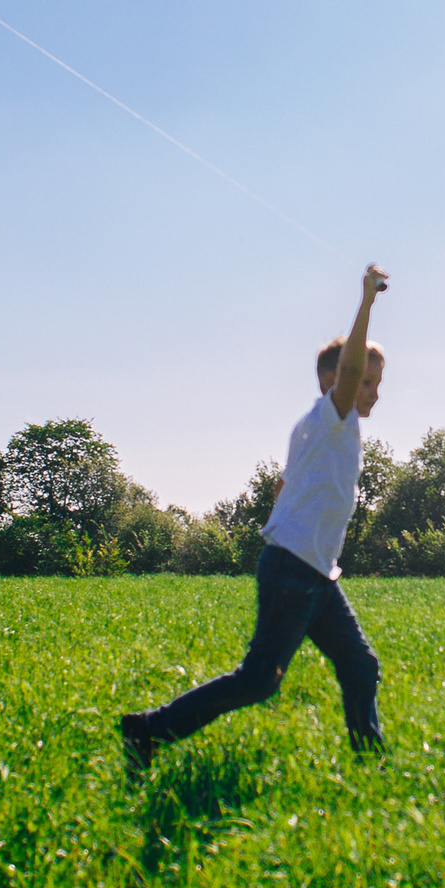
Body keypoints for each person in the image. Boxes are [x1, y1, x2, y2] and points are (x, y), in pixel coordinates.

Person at [121, 264, 390, 769]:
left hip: (312, 571)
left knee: (359, 664)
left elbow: (285, 486)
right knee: (259, 680)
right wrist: (367, 302)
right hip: (295, 570)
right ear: (334, 380)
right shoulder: (333, 417)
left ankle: (371, 764)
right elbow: (351, 370)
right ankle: (148, 730)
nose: (373, 390)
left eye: (378, 383)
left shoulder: (319, 429)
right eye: (366, 381)